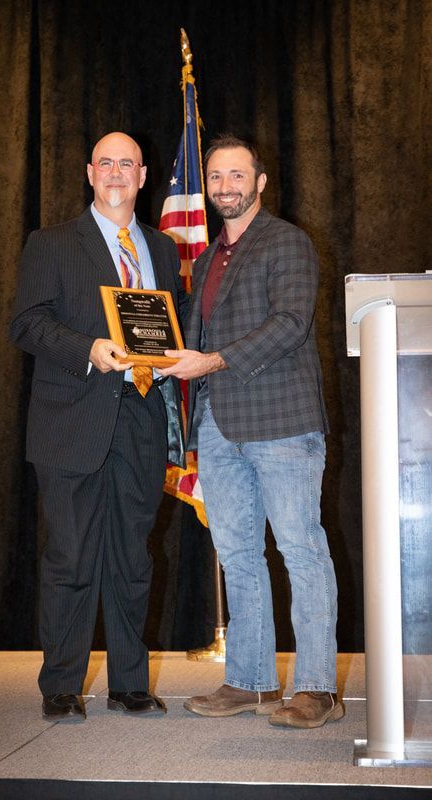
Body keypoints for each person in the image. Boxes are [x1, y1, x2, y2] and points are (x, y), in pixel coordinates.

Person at [158, 134, 344, 729]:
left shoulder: (287, 242)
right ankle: (252, 681)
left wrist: (211, 362)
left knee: (300, 550)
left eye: (237, 176)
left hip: (283, 424)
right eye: (216, 178)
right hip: (217, 425)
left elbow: (290, 324)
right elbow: (198, 343)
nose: (225, 187)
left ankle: (317, 688)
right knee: (237, 553)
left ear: (259, 182)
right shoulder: (209, 259)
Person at [10, 132, 188, 721]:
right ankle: (61, 686)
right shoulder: (51, 243)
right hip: (71, 425)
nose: (116, 173)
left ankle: (129, 683)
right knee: (70, 557)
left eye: (128, 164)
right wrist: (89, 347)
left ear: (143, 177)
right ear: (90, 173)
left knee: (133, 559)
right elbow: (28, 324)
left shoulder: (162, 250)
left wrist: (173, 361)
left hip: (140, 423)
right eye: (105, 163)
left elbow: (172, 328)